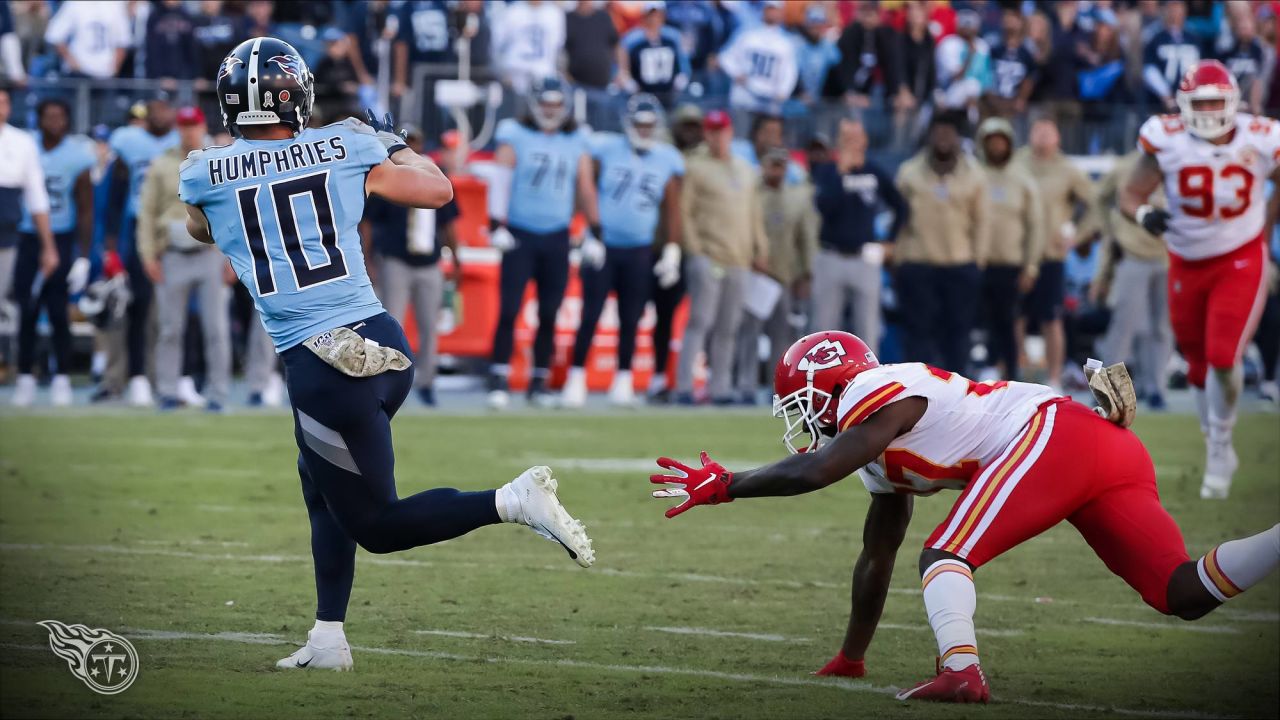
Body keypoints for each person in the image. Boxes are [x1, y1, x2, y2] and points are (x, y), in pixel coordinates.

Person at [179, 37, 595, 670]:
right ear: (298, 96)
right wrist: (389, 140)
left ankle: (511, 500)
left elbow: (199, 227)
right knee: (320, 488)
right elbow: (438, 190)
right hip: (379, 340)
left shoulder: (201, 172)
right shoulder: (343, 143)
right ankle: (328, 638)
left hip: (322, 366)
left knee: (375, 524)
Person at [649, 330, 1280, 702]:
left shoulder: (878, 392)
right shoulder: (871, 442)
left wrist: (729, 484)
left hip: (1052, 432)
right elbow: (877, 553)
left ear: (836, 384)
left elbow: (817, 471)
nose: (801, 415)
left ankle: (961, 672)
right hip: (1094, 446)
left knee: (947, 554)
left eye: (803, 399)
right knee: (1181, 591)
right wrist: (852, 655)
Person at [1120, 60, 1279, 500]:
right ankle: (1216, 444)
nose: (1208, 112)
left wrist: (1265, 225)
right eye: (1200, 103)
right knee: (1196, 363)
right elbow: (1130, 193)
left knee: (1223, 354)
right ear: (1183, 105)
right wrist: (1143, 213)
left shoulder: (1262, 137)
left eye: (1215, 102)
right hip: (1186, 261)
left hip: (1240, 257)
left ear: (1233, 103)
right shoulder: (1167, 138)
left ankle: (1221, 448)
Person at [562, 95, 683, 409]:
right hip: (604, 245)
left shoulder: (667, 158)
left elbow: (673, 207)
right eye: (639, 124)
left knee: (631, 317)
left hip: (640, 249)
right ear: (628, 124)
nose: (644, 130)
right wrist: (589, 230)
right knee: (590, 314)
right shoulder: (605, 148)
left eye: (649, 124)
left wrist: (672, 248)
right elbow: (585, 182)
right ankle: (576, 378)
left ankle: (624, 380)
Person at [485, 76, 596, 409]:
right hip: (519, 233)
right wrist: (494, 224)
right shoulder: (514, 133)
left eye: (556, 104)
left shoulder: (577, 138)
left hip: (557, 235)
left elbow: (586, 187)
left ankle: (539, 382)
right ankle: (498, 378)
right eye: (545, 103)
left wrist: (595, 231)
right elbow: (500, 179)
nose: (550, 110)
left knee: (549, 311)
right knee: (509, 308)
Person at [361, 126, 462, 407]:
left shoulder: (433, 176)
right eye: (408, 142)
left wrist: (455, 258)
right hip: (395, 260)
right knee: (391, 325)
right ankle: (387, 383)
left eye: (416, 142)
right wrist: (368, 258)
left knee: (429, 327)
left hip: (429, 261)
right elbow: (368, 221)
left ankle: (427, 382)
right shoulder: (386, 175)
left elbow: (449, 222)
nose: (413, 146)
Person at [138, 106, 231, 412]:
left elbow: (233, 210)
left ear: (202, 126)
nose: (189, 131)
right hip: (173, 254)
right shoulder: (162, 163)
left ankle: (218, 392)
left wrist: (233, 257)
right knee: (169, 328)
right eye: (184, 125)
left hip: (211, 253)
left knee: (216, 328)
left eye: (193, 125)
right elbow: (148, 212)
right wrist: (148, 254)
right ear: (178, 128)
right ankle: (166, 390)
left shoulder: (218, 158)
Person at [675, 110, 767, 404]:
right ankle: (684, 386)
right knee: (700, 321)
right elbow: (684, 211)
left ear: (729, 132)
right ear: (706, 134)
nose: (717, 136)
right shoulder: (695, 166)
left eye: (722, 130)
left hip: (738, 257)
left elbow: (754, 213)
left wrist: (760, 247)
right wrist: (694, 251)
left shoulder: (744, 168)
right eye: (712, 131)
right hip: (709, 255)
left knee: (729, 326)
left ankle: (721, 387)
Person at [894, 111, 988, 372]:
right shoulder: (909, 172)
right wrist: (898, 258)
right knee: (918, 333)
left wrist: (977, 262)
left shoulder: (975, 174)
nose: (943, 137)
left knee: (958, 333)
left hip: (959, 263)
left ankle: (958, 393)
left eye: (949, 132)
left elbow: (982, 222)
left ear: (957, 137)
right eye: (938, 131)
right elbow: (897, 219)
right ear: (930, 136)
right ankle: (913, 391)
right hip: (918, 263)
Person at [10, 98, 87, 407]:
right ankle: (26, 375)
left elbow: (85, 209)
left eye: (60, 116)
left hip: (63, 235)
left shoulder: (76, 155)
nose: (55, 122)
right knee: (26, 310)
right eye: (49, 116)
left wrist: (82, 254)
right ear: (39, 119)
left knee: (58, 312)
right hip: (26, 236)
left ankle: (62, 377)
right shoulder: (27, 149)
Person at [809, 118, 907, 354]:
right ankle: (820, 384)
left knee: (868, 329)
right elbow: (824, 207)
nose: (852, 143)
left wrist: (890, 240)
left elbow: (901, 206)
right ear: (838, 142)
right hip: (831, 256)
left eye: (856, 137)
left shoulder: (874, 171)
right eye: (846, 138)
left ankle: (870, 386)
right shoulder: (827, 171)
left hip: (864, 258)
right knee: (823, 330)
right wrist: (841, 172)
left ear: (865, 140)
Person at [105, 96, 178, 406]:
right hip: (140, 227)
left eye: (165, 110)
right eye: (155, 111)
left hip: (179, 228)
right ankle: (137, 377)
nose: (160, 115)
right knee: (139, 306)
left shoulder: (183, 141)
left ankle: (180, 378)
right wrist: (109, 244)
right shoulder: (128, 142)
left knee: (178, 312)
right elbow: (116, 193)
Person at [1014, 118, 1096, 392]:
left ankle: (1054, 379)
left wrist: (1077, 236)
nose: (1042, 136)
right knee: (1016, 317)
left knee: (1052, 319)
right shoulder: (1017, 163)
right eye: (1038, 130)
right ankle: (1016, 376)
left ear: (1058, 137)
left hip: (1051, 254)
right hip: (1018, 253)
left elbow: (1096, 206)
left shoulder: (1068, 170)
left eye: (1048, 131)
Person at [733, 147, 816, 404]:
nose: (776, 171)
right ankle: (746, 385)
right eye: (772, 165)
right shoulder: (751, 195)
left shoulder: (796, 198)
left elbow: (805, 238)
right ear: (764, 166)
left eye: (781, 166)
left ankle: (779, 389)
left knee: (784, 338)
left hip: (785, 275)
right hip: (756, 273)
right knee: (750, 332)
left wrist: (805, 273)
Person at [1093, 150, 1172, 410]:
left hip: (1169, 255)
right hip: (1133, 252)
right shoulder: (1125, 166)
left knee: (1162, 326)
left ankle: (1156, 388)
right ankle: (1108, 390)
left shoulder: (1180, 161)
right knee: (1124, 324)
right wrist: (1111, 229)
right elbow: (1100, 198)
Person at [975, 117, 1042, 381]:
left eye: (1001, 141)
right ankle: (983, 369)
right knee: (981, 322)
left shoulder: (1023, 180)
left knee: (1008, 322)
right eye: (991, 142)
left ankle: (1011, 373)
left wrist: (1031, 266)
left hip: (1010, 263)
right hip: (978, 262)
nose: (996, 147)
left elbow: (1035, 225)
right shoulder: (974, 175)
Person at [648, 103, 704, 404]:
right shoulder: (664, 154)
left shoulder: (705, 161)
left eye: (696, 126)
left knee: (697, 317)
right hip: (659, 243)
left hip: (692, 247)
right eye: (686, 125)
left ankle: (695, 379)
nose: (691, 131)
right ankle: (657, 376)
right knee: (662, 314)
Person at [717, 0, 797, 115]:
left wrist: (783, 92)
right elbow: (725, 57)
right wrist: (736, 73)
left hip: (770, 99)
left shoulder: (786, 43)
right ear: (763, 11)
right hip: (745, 94)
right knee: (741, 130)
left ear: (781, 13)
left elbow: (790, 72)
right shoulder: (747, 34)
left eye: (775, 10)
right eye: (769, 9)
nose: (772, 13)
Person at [617, 1, 688, 106]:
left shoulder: (674, 37)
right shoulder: (632, 39)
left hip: (669, 95)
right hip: (641, 96)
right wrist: (628, 82)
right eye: (652, 15)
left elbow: (684, 63)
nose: (655, 19)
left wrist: (683, 76)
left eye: (658, 15)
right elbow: (623, 66)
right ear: (645, 16)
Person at [1143, 1, 1201, 112]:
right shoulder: (1156, 38)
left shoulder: (1194, 38)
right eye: (1172, 9)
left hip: (1191, 99)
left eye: (1179, 9)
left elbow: (1200, 66)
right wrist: (1165, 94)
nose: (1175, 13)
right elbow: (1149, 69)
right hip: (1160, 104)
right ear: (1165, 11)